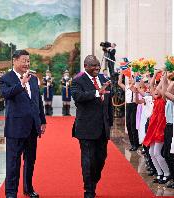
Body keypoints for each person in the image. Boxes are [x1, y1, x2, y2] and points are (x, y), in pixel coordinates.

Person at [0, 50, 46, 198]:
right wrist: (21, 84)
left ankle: (28, 188)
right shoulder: (5, 78)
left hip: (32, 127)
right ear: (15, 61)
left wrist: (42, 120)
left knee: (30, 161)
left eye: (28, 61)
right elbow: (6, 94)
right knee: (13, 162)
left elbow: (38, 101)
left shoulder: (32, 79)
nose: (27, 64)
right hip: (16, 128)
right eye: (24, 61)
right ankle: (11, 193)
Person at [71, 55, 113, 198]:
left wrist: (110, 123)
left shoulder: (103, 79)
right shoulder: (77, 81)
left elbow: (108, 104)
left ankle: (93, 181)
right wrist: (96, 92)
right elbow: (78, 97)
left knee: (101, 158)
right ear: (86, 66)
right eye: (93, 65)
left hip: (102, 129)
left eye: (97, 65)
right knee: (88, 160)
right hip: (86, 128)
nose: (97, 68)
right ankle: (89, 191)